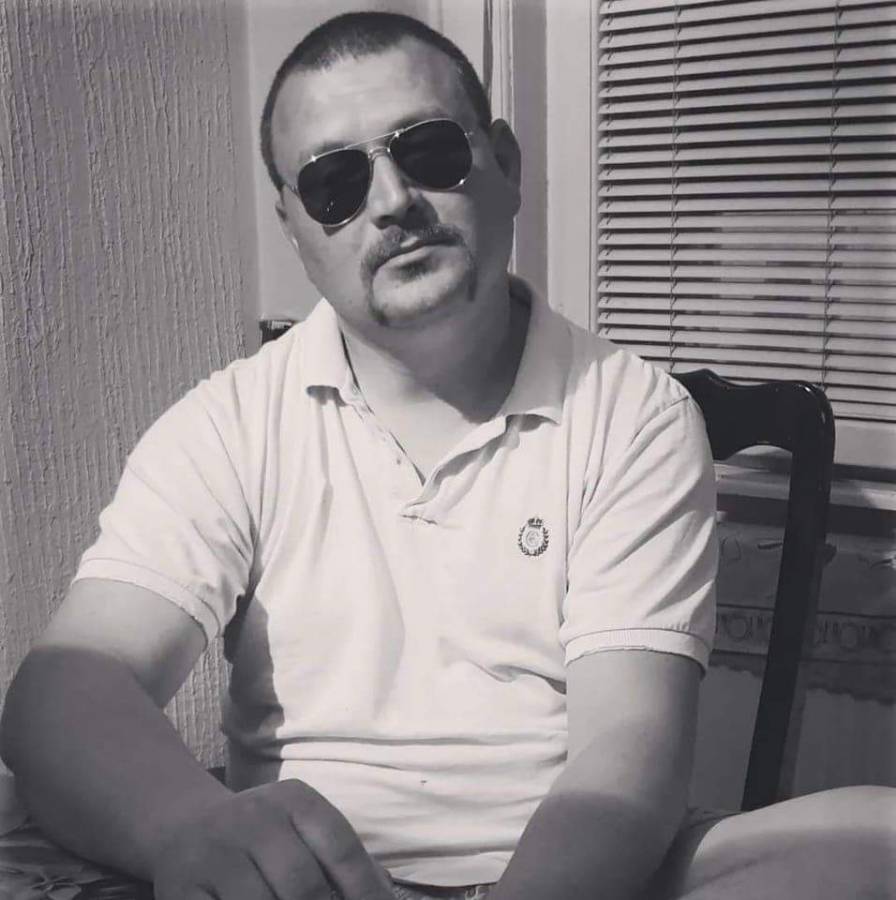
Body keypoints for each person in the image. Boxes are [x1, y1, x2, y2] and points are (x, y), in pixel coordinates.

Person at [1, 11, 893, 900]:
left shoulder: (636, 414)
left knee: (876, 839)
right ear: (294, 227)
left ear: (505, 164)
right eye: (335, 182)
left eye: (427, 150)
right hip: (318, 880)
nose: (392, 201)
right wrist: (187, 827)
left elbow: (626, 760)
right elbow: (65, 690)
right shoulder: (229, 424)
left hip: (581, 875)